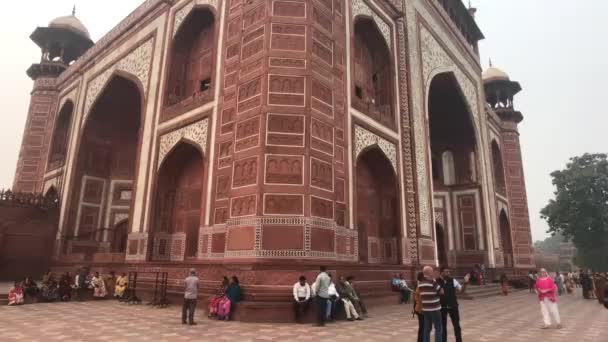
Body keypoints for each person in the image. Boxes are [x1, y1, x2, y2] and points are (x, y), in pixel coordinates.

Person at [437, 266, 469, 342]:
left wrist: (465, 283)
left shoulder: (452, 280)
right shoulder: (436, 281)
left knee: (457, 325)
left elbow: (461, 290)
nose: (448, 273)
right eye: (446, 272)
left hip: (453, 305)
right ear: (441, 272)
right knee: (443, 326)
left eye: (449, 272)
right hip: (442, 307)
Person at [419, 266, 443, 342]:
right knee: (438, 328)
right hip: (435, 309)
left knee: (427, 329)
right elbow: (441, 292)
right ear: (429, 273)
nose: (433, 273)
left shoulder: (420, 284)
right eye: (432, 271)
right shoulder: (433, 282)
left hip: (426, 309)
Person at [413, 272, 425, 342]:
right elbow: (419, 299)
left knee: (422, 327)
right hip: (421, 310)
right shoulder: (420, 286)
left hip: (420, 309)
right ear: (421, 278)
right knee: (422, 327)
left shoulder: (420, 285)